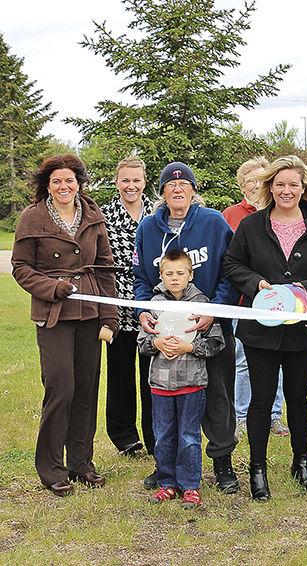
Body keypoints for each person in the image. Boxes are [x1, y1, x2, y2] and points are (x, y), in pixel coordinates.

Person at [223, 155, 307, 499]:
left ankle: (301, 463)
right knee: (261, 399)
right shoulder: (252, 226)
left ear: (304, 188)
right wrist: (257, 284)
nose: (286, 191)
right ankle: (257, 469)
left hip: (301, 330)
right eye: (280, 184)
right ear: (270, 187)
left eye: (293, 184)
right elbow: (232, 264)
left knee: (297, 397)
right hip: (260, 329)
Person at [12, 154, 118, 496]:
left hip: (89, 311)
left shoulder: (93, 215)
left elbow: (104, 268)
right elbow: (21, 268)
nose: (63, 186)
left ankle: (81, 463)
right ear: (47, 185)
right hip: (54, 313)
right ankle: (51, 469)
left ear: (79, 183)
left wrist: (109, 315)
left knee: (86, 389)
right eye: (56, 180)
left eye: (69, 180)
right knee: (60, 387)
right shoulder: (32, 217)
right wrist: (52, 287)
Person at [134, 161, 240, 493]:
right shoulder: (148, 228)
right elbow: (140, 278)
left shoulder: (213, 222)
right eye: (170, 185)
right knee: (163, 401)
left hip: (207, 328)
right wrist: (144, 312)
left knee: (218, 397)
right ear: (162, 192)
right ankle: (164, 466)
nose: (177, 189)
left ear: (193, 191)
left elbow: (231, 271)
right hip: (165, 333)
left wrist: (214, 311)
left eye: (184, 184)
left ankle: (222, 462)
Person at [138, 250, 225, 509]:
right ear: (161, 275)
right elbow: (142, 342)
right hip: (160, 384)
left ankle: (190, 486)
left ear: (191, 275)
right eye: (169, 274)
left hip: (192, 383)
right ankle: (167, 483)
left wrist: (190, 347)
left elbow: (216, 342)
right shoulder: (154, 305)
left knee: (189, 436)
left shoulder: (202, 305)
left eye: (180, 273)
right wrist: (156, 342)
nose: (174, 278)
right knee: (163, 435)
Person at [223, 157, 288, 439]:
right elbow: (229, 260)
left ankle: (274, 415)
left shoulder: (281, 213)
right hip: (243, 303)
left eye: (261, 180)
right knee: (242, 360)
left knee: (278, 359)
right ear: (242, 186)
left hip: (277, 301)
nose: (256, 185)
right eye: (251, 181)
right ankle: (241, 415)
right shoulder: (230, 215)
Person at [100, 156, 154, 457]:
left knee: (152, 373)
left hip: (151, 303)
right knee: (120, 373)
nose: (131, 186)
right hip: (117, 303)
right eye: (125, 180)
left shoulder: (157, 212)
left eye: (136, 180)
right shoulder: (104, 215)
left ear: (144, 182)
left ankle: (155, 434)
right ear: (117, 182)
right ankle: (124, 436)